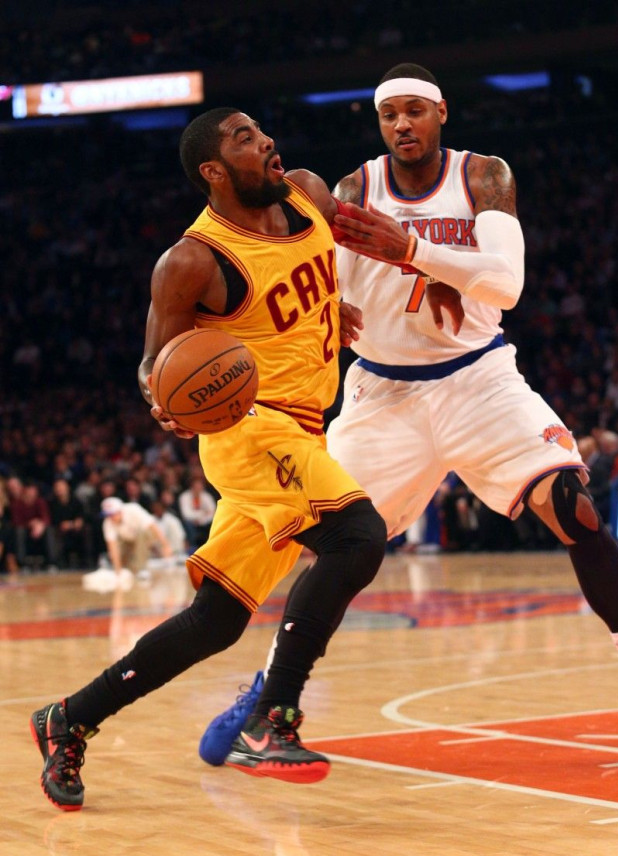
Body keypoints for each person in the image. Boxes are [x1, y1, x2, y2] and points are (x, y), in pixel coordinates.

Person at [199, 64, 618, 768]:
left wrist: (409, 249)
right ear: (379, 124)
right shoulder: (353, 189)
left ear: (441, 113)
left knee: (575, 509)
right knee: (332, 553)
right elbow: (300, 271)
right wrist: (332, 300)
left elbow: (505, 285)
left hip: (478, 379)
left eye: (416, 112)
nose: (403, 126)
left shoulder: (484, 177)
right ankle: (268, 697)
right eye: (391, 116)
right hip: (383, 394)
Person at [30, 106, 387, 811]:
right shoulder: (192, 261)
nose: (267, 142)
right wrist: (161, 397)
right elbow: (154, 364)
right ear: (214, 172)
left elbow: (310, 276)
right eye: (245, 140)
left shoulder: (309, 193)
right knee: (357, 537)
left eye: (261, 130)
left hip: (306, 428)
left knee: (217, 619)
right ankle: (271, 717)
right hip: (248, 431)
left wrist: (331, 310)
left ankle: (70, 719)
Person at [100, 495, 174, 575]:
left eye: (112, 514)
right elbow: (112, 546)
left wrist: (165, 545)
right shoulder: (108, 523)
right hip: (128, 540)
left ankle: (142, 568)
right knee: (124, 562)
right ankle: (128, 568)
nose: (111, 517)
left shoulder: (133, 509)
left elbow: (152, 525)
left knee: (141, 533)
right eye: (108, 515)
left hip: (146, 535)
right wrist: (118, 571)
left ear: (120, 511)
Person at [177, 475, 217, 551]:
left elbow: (212, 512)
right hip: (190, 523)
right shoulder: (184, 496)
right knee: (187, 524)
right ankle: (192, 548)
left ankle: (211, 547)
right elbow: (186, 514)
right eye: (196, 486)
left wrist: (202, 520)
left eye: (200, 486)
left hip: (205, 523)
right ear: (192, 487)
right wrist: (203, 513)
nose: (198, 488)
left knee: (214, 523)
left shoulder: (207, 496)